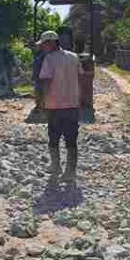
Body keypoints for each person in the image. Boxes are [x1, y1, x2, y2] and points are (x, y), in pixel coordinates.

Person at [37, 30, 82, 180]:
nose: (42, 48)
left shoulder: (49, 59)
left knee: (54, 137)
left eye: (43, 44)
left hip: (54, 105)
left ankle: (56, 166)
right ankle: (70, 172)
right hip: (72, 105)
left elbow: (46, 81)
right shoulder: (74, 57)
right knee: (71, 139)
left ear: (50, 43)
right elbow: (80, 77)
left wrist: (42, 101)